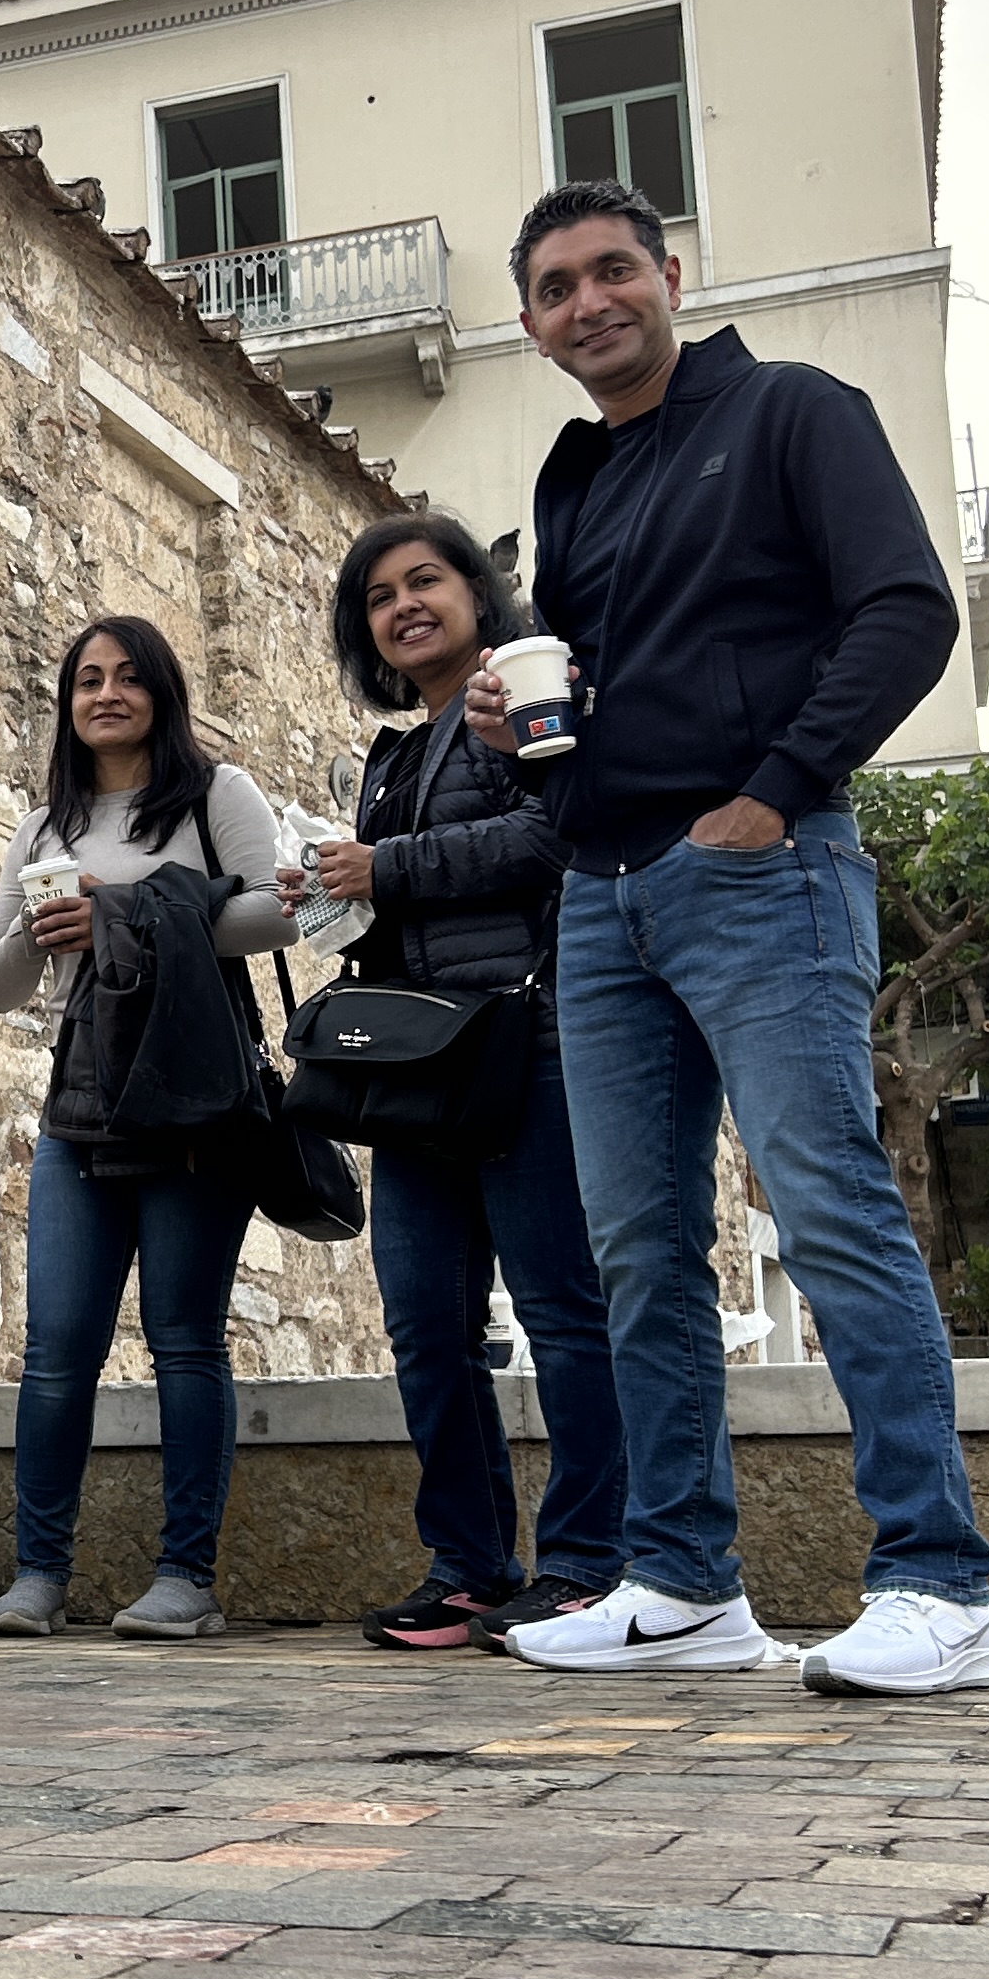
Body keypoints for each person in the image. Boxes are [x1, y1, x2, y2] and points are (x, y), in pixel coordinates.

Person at [471, 178, 989, 1695]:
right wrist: (521, 732)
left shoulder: (792, 412)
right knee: (640, 1252)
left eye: (612, 270)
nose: (590, 302)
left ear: (670, 274)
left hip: (763, 867)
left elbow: (906, 612)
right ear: (532, 326)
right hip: (606, 887)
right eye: (558, 288)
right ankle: (686, 1587)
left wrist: (773, 794)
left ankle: (940, 1584)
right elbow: (596, 694)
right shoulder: (573, 481)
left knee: (829, 1209)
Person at [282, 515, 625, 1651]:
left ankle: (588, 1563)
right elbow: (398, 907)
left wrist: (385, 866)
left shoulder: (519, 699)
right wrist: (329, 894)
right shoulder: (393, 755)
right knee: (427, 1326)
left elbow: (552, 839)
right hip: (419, 1066)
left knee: (563, 1312)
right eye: (379, 598)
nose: (404, 607)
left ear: (478, 592)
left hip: (524, 1045)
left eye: (424, 581)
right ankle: (471, 1568)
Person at [0, 615, 294, 1640]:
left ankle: (186, 1577)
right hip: (83, 1104)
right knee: (56, 1349)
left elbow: (277, 913)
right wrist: (42, 929)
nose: (106, 695)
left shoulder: (215, 795)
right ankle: (39, 1575)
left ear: (161, 691)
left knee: (185, 1341)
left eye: (126, 677)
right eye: (87, 681)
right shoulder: (44, 827)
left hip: (195, 1097)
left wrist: (123, 907)